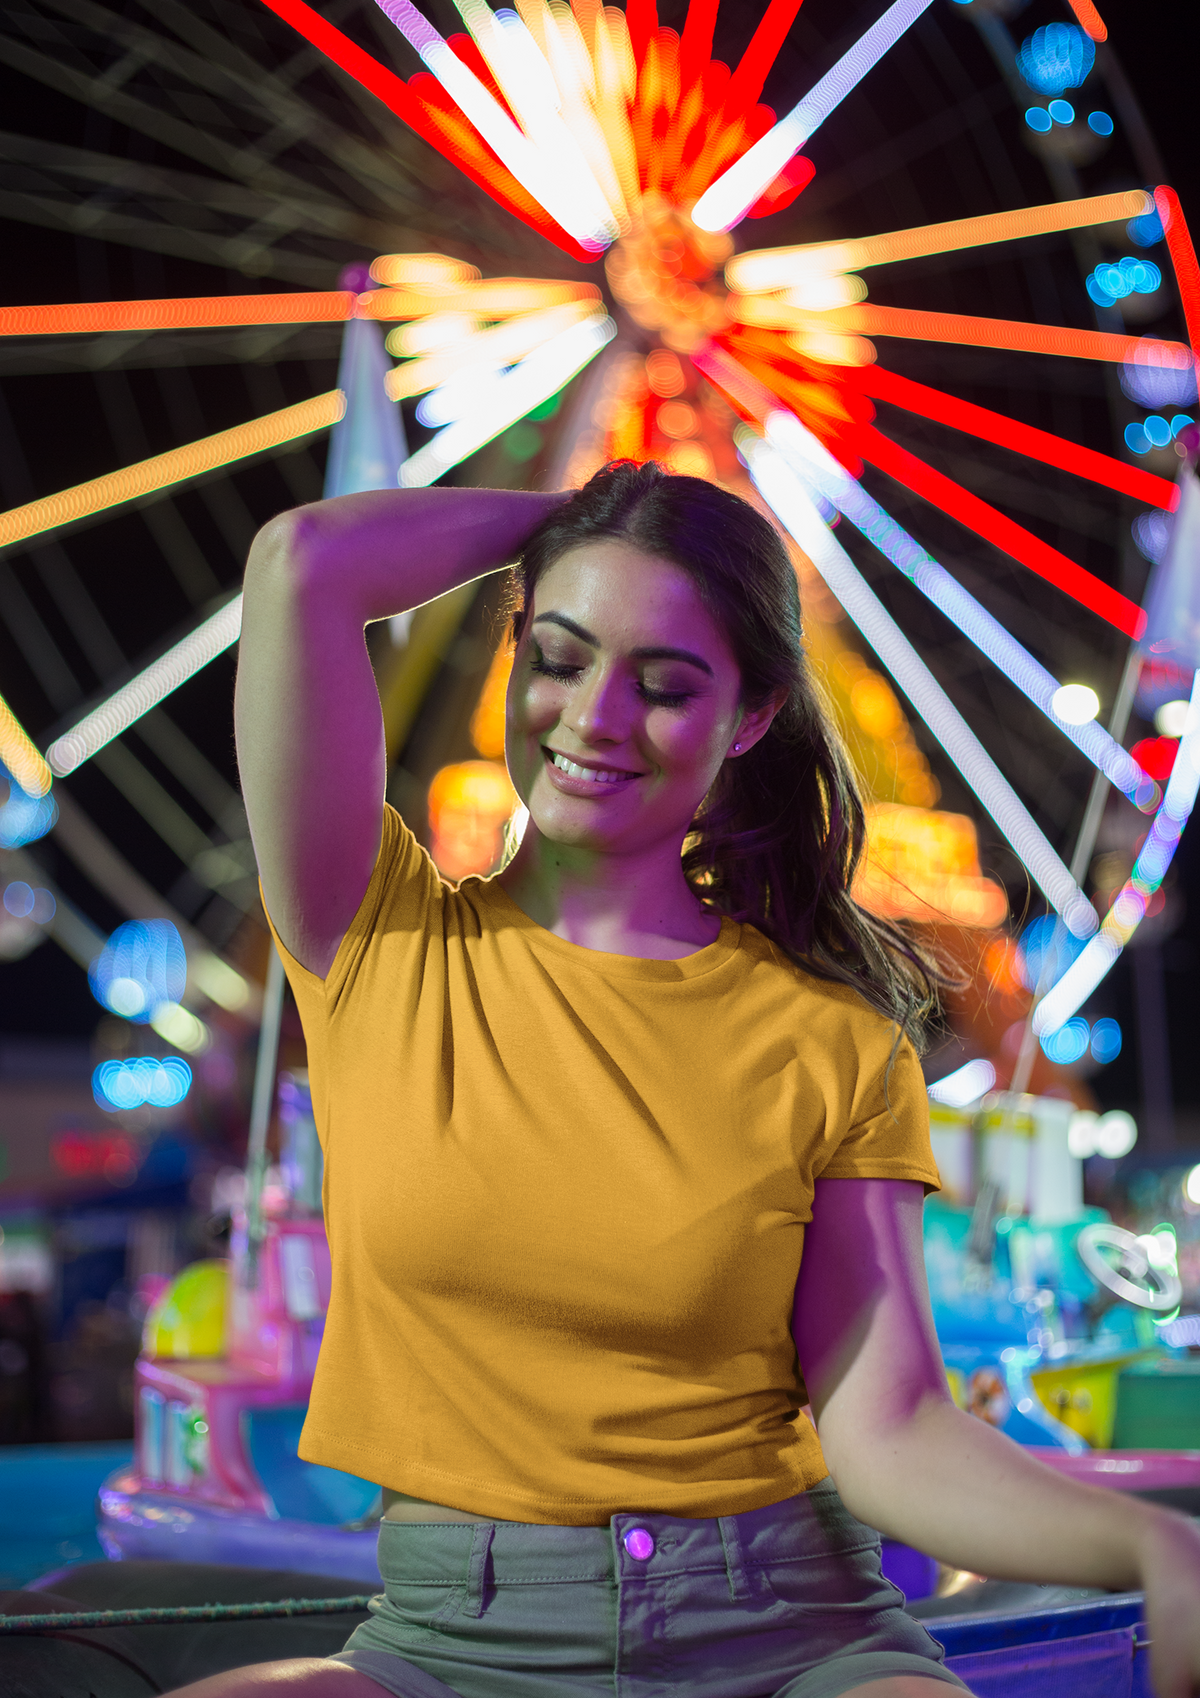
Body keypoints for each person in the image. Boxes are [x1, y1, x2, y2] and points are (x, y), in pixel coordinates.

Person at [172, 462, 1200, 1698]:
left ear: (752, 716)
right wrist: (590, 515)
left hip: (789, 1632)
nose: (595, 716)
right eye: (557, 656)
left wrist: (1155, 1545)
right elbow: (302, 564)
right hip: (456, 1646)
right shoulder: (373, 936)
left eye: (663, 685)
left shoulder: (832, 1040)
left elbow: (890, 1435)